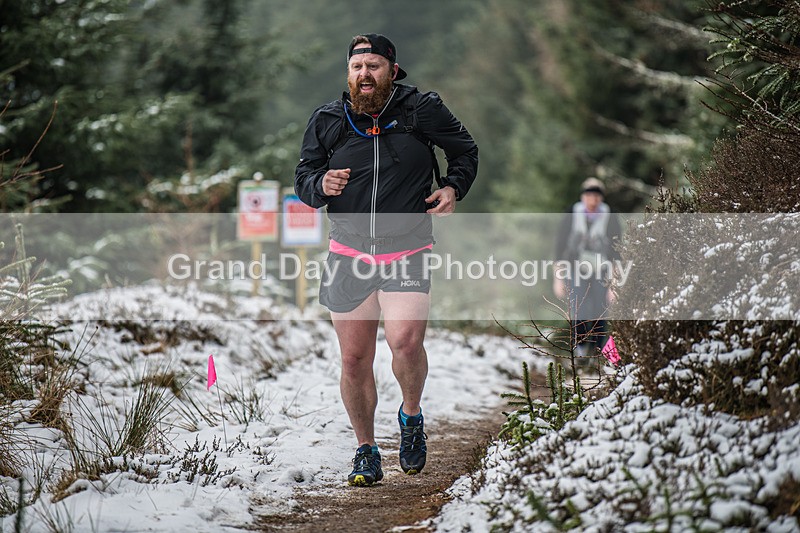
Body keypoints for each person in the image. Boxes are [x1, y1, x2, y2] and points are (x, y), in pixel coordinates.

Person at [294, 34, 478, 486]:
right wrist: (321, 187)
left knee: (406, 342)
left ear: (392, 71)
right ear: (349, 74)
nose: (364, 75)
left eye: (373, 66)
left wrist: (453, 186)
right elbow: (303, 176)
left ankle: (411, 416)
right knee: (354, 359)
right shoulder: (328, 120)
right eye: (357, 67)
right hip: (348, 250)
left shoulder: (421, 111)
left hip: (408, 247)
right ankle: (366, 449)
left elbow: (465, 151)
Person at [554, 177, 621, 357]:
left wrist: (614, 285)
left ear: (601, 198)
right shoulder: (572, 214)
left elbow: (617, 252)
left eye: (597, 196)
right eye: (589, 195)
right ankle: (580, 350)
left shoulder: (610, 216)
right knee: (579, 307)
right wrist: (559, 278)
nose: (593, 200)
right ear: (583, 197)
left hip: (602, 270)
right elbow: (560, 248)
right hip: (575, 269)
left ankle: (600, 352)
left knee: (602, 310)